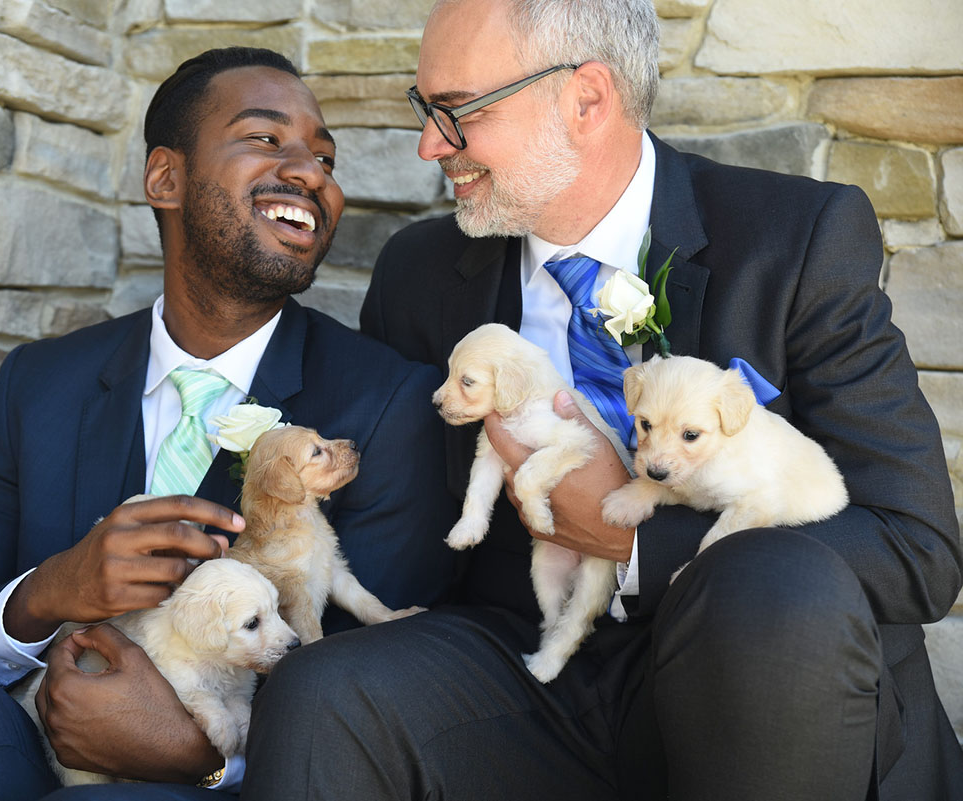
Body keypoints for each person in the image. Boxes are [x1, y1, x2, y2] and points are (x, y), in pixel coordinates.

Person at [239, 2, 963, 800]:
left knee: (774, 585)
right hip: (531, 674)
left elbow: (915, 545)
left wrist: (637, 545)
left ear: (586, 99)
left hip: (762, 679)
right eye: (425, 109)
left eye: (459, 111)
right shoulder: (418, 272)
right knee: (323, 693)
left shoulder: (796, 238)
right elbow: (401, 535)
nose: (429, 145)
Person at [0, 47, 457, 801]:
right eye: (267, 138)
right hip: (27, 751)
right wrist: (50, 590)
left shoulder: (387, 406)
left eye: (325, 157)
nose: (312, 172)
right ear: (165, 178)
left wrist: (194, 750)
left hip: (242, 780)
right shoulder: (36, 386)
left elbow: (369, 697)